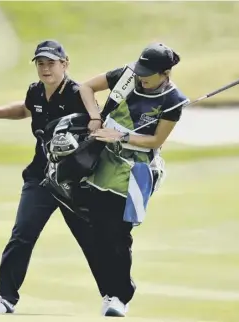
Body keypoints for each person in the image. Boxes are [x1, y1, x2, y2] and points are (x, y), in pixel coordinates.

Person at [0, 40, 107, 314]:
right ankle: (5, 299)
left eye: (51, 63)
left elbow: (99, 126)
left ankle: (112, 296)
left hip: (74, 183)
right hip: (41, 178)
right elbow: (25, 109)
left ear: (65, 63)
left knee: (90, 239)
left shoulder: (79, 93)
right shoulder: (36, 91)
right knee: (22, 234)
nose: (45, 69)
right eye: (41, 64)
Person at [77, 42, 190, 316]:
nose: (142, 77)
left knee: (118, 234)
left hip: (136, 170)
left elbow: (155, 141)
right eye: (140, 70)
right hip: (100, 162)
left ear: (165, 73)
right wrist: (95, 118)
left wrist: (122, 136)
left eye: (148, 73)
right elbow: (85, 87)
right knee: (98, 232)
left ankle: (121, 295)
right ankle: (110, 291)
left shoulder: (173, 101)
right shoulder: (126, 76)